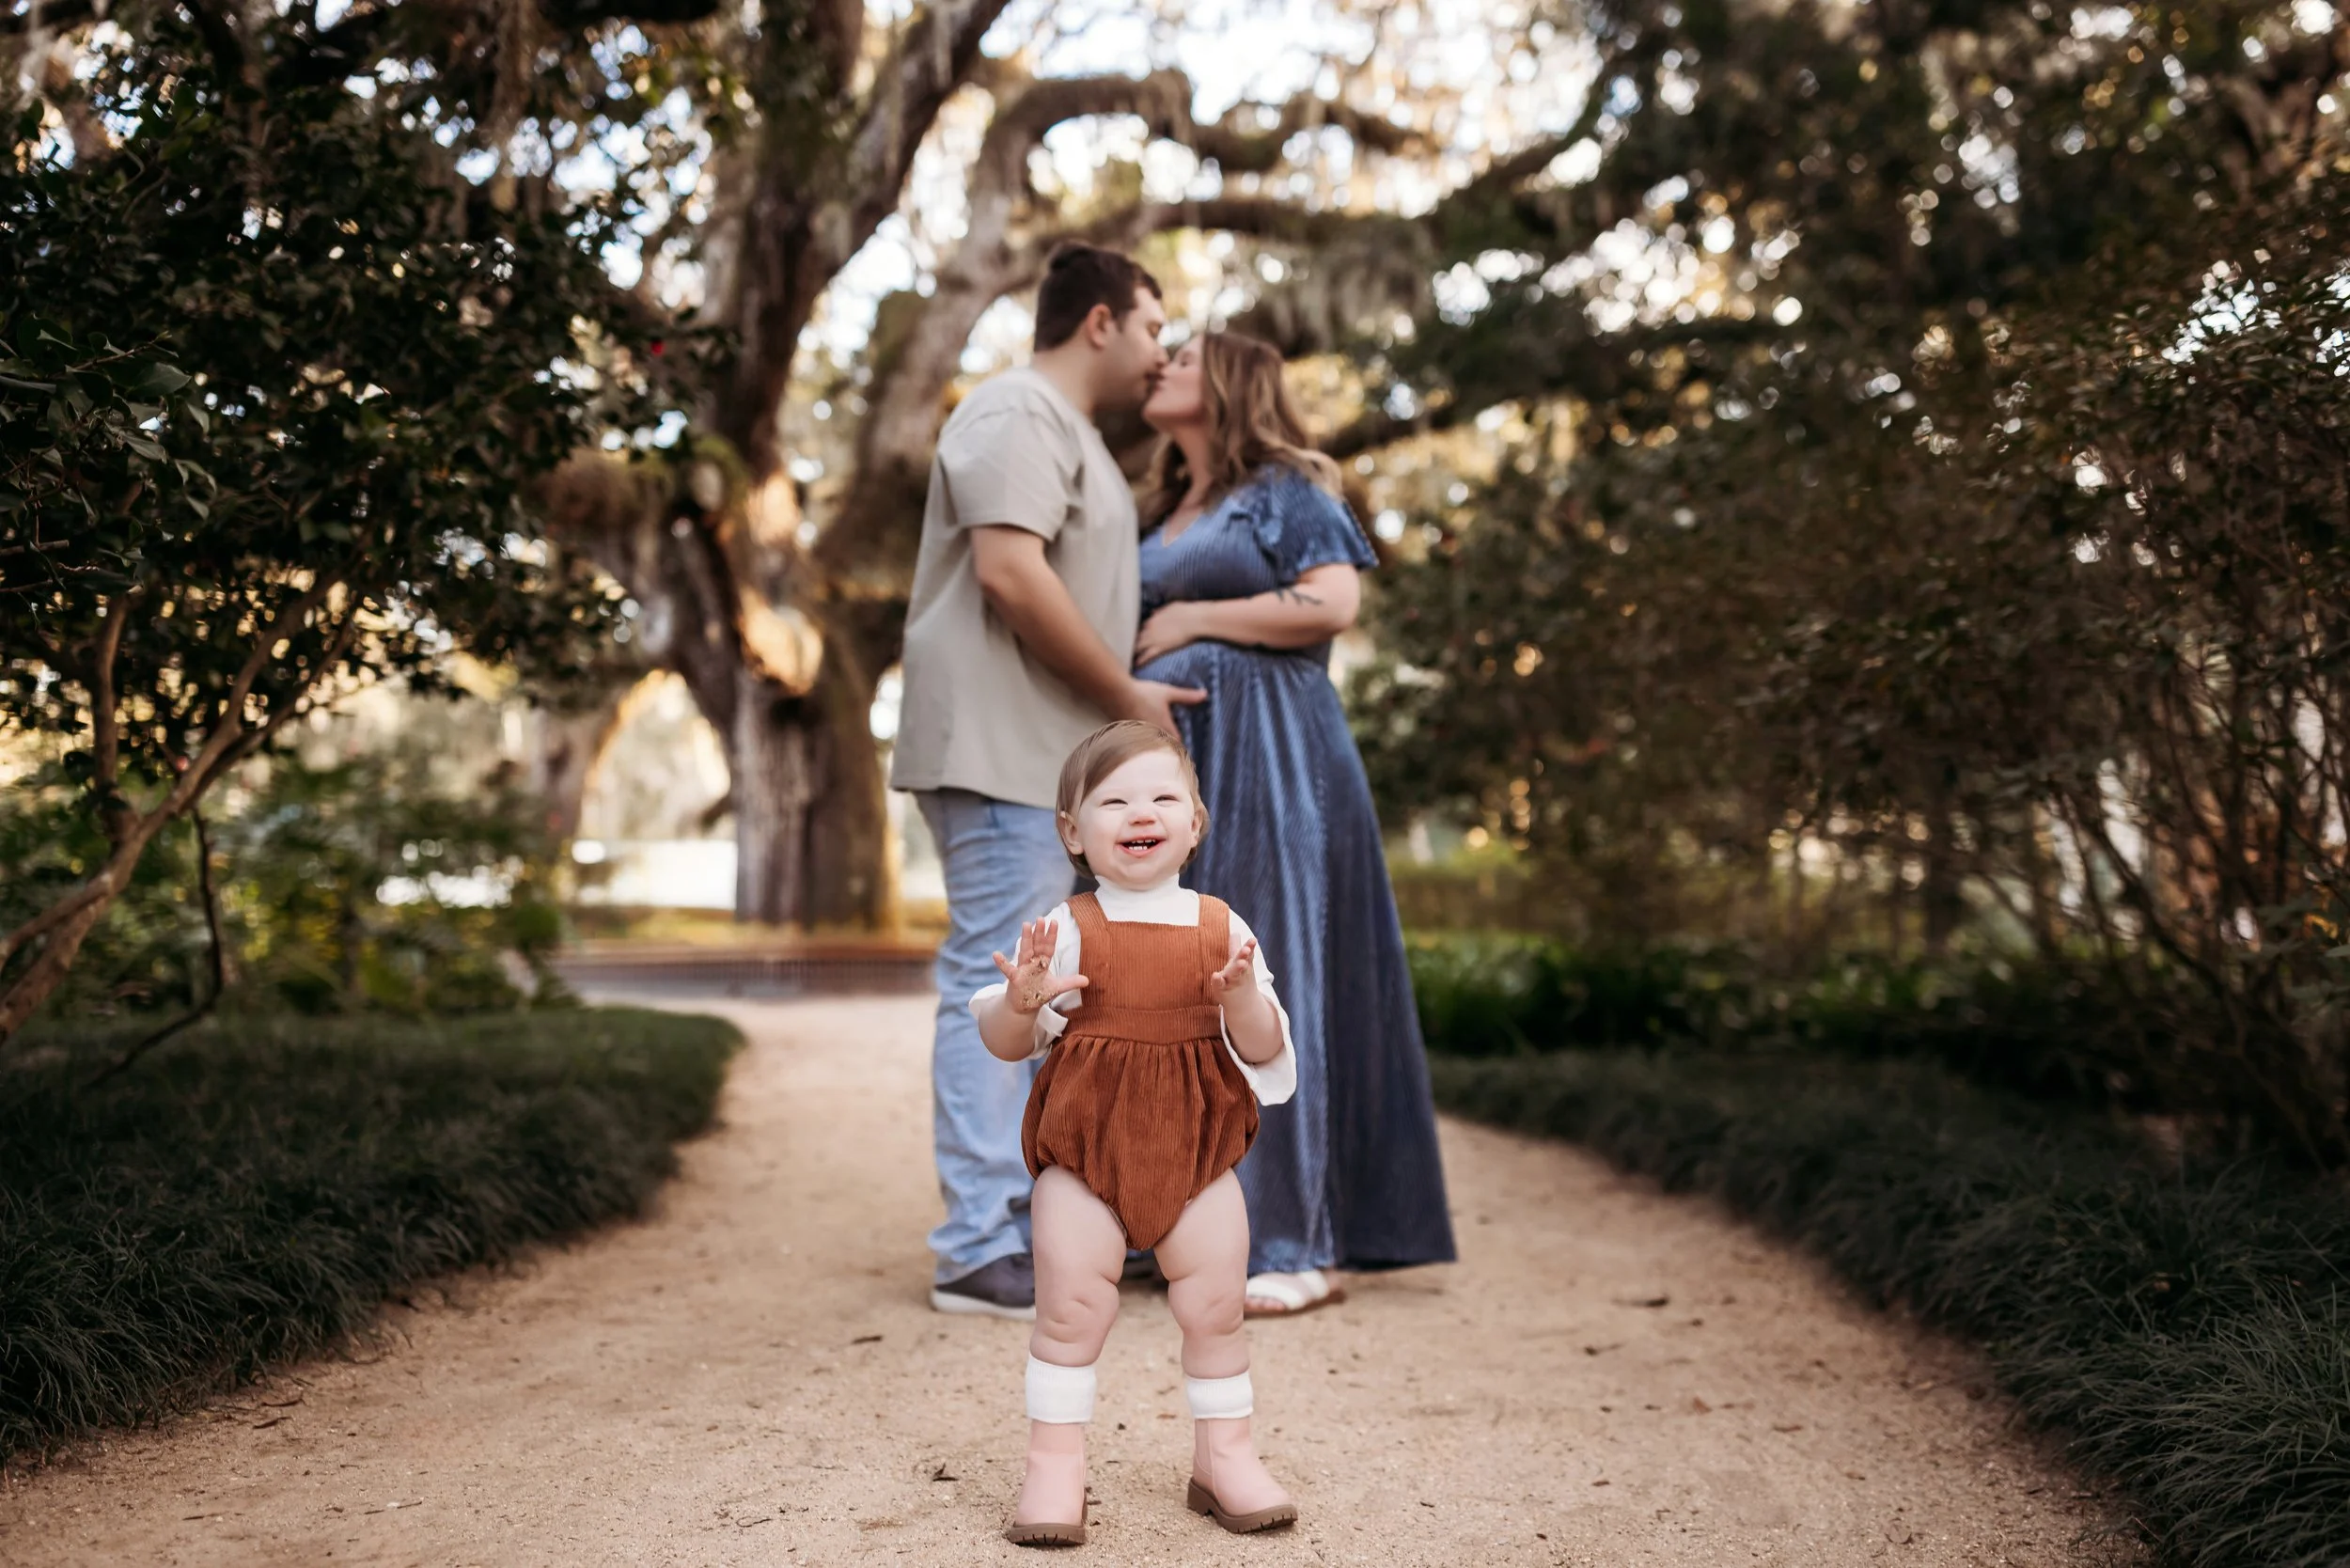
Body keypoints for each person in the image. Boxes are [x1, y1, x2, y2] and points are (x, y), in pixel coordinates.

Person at [891, 244, 1204, 1320]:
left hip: (1043, 759)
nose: (1161, 351)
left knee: (1054, 994)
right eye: (1154, 327)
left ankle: (1040, 1229)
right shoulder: (1017, 410)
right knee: (999, 987)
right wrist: (1129, 700)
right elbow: (1009, 571)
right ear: (1101, 322)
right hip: (997, 751)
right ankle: (977, 1246)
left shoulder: (1070, 434)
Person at [1130, 331, 1457, 1316]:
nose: (1160, 365)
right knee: (1167, 972)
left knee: (1264, 967)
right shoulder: (1157, 506)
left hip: (1273, 754)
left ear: (1232, 383)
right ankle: (1178, 1219)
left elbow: (1330, 601)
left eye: (1183, 357)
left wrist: (1193, 621)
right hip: (1176, 765)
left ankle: (1296, 1239)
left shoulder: (1287, 486)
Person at [972, 721, 1300, 1546]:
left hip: (1197, 1156)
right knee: (1071, 1309)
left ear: (1195, 821)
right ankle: (1054, 1467)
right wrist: (1021, 1002)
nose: (1140, 813)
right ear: (1072, 832)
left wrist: (1241, 1001)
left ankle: (1225, 1458)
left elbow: (1266, 1047)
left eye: (1161, 797)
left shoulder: (1223, 928)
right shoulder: (1068, 926)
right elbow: (1009, 1043)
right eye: (1113, 801)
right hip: (1085, 1155)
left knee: (1216, 1308)